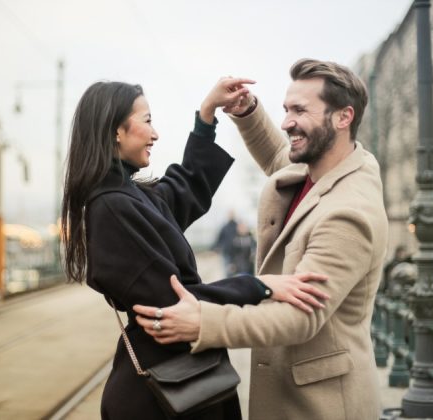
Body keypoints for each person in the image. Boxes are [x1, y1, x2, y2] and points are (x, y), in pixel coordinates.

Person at [134, 59, 389, 420]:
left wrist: (203, 322)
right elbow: (277, 156)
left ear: (343, 117)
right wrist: (247, 111)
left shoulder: (348, 212)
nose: (286, 122)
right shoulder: (323, 164)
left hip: (323, 406)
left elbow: (300, 317)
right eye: (286, 109)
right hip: (293, 395)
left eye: (300, 110)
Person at [61, 79, 330, 420]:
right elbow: (175, 305)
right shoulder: (112, 207)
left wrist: (206, 117)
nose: (155, 134)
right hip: (166, 393)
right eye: (147, 121)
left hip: (179, 380)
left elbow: (185, 186)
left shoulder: (128, 196)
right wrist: (260, 285)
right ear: (116, 131)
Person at [212, 211, 238, 275]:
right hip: (226, 252)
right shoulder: (224, 227)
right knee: (227, 270)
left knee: (236, 270)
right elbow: (219, 239)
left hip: (236, 253)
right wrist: (213, 248)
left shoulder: (237, 226)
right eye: (230, 215)